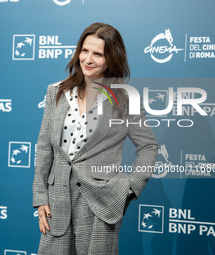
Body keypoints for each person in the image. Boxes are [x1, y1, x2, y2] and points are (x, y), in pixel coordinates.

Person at [33, 22, 158, 255]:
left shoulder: (125, 99)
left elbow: (149, 146)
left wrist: (128, 190)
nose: (88, 59)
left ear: (111, 59)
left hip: (102, 202)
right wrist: (40, 196)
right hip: (57, 200)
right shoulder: (57, 91)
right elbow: (44, 147)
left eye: (98, 54)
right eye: (84, 50)